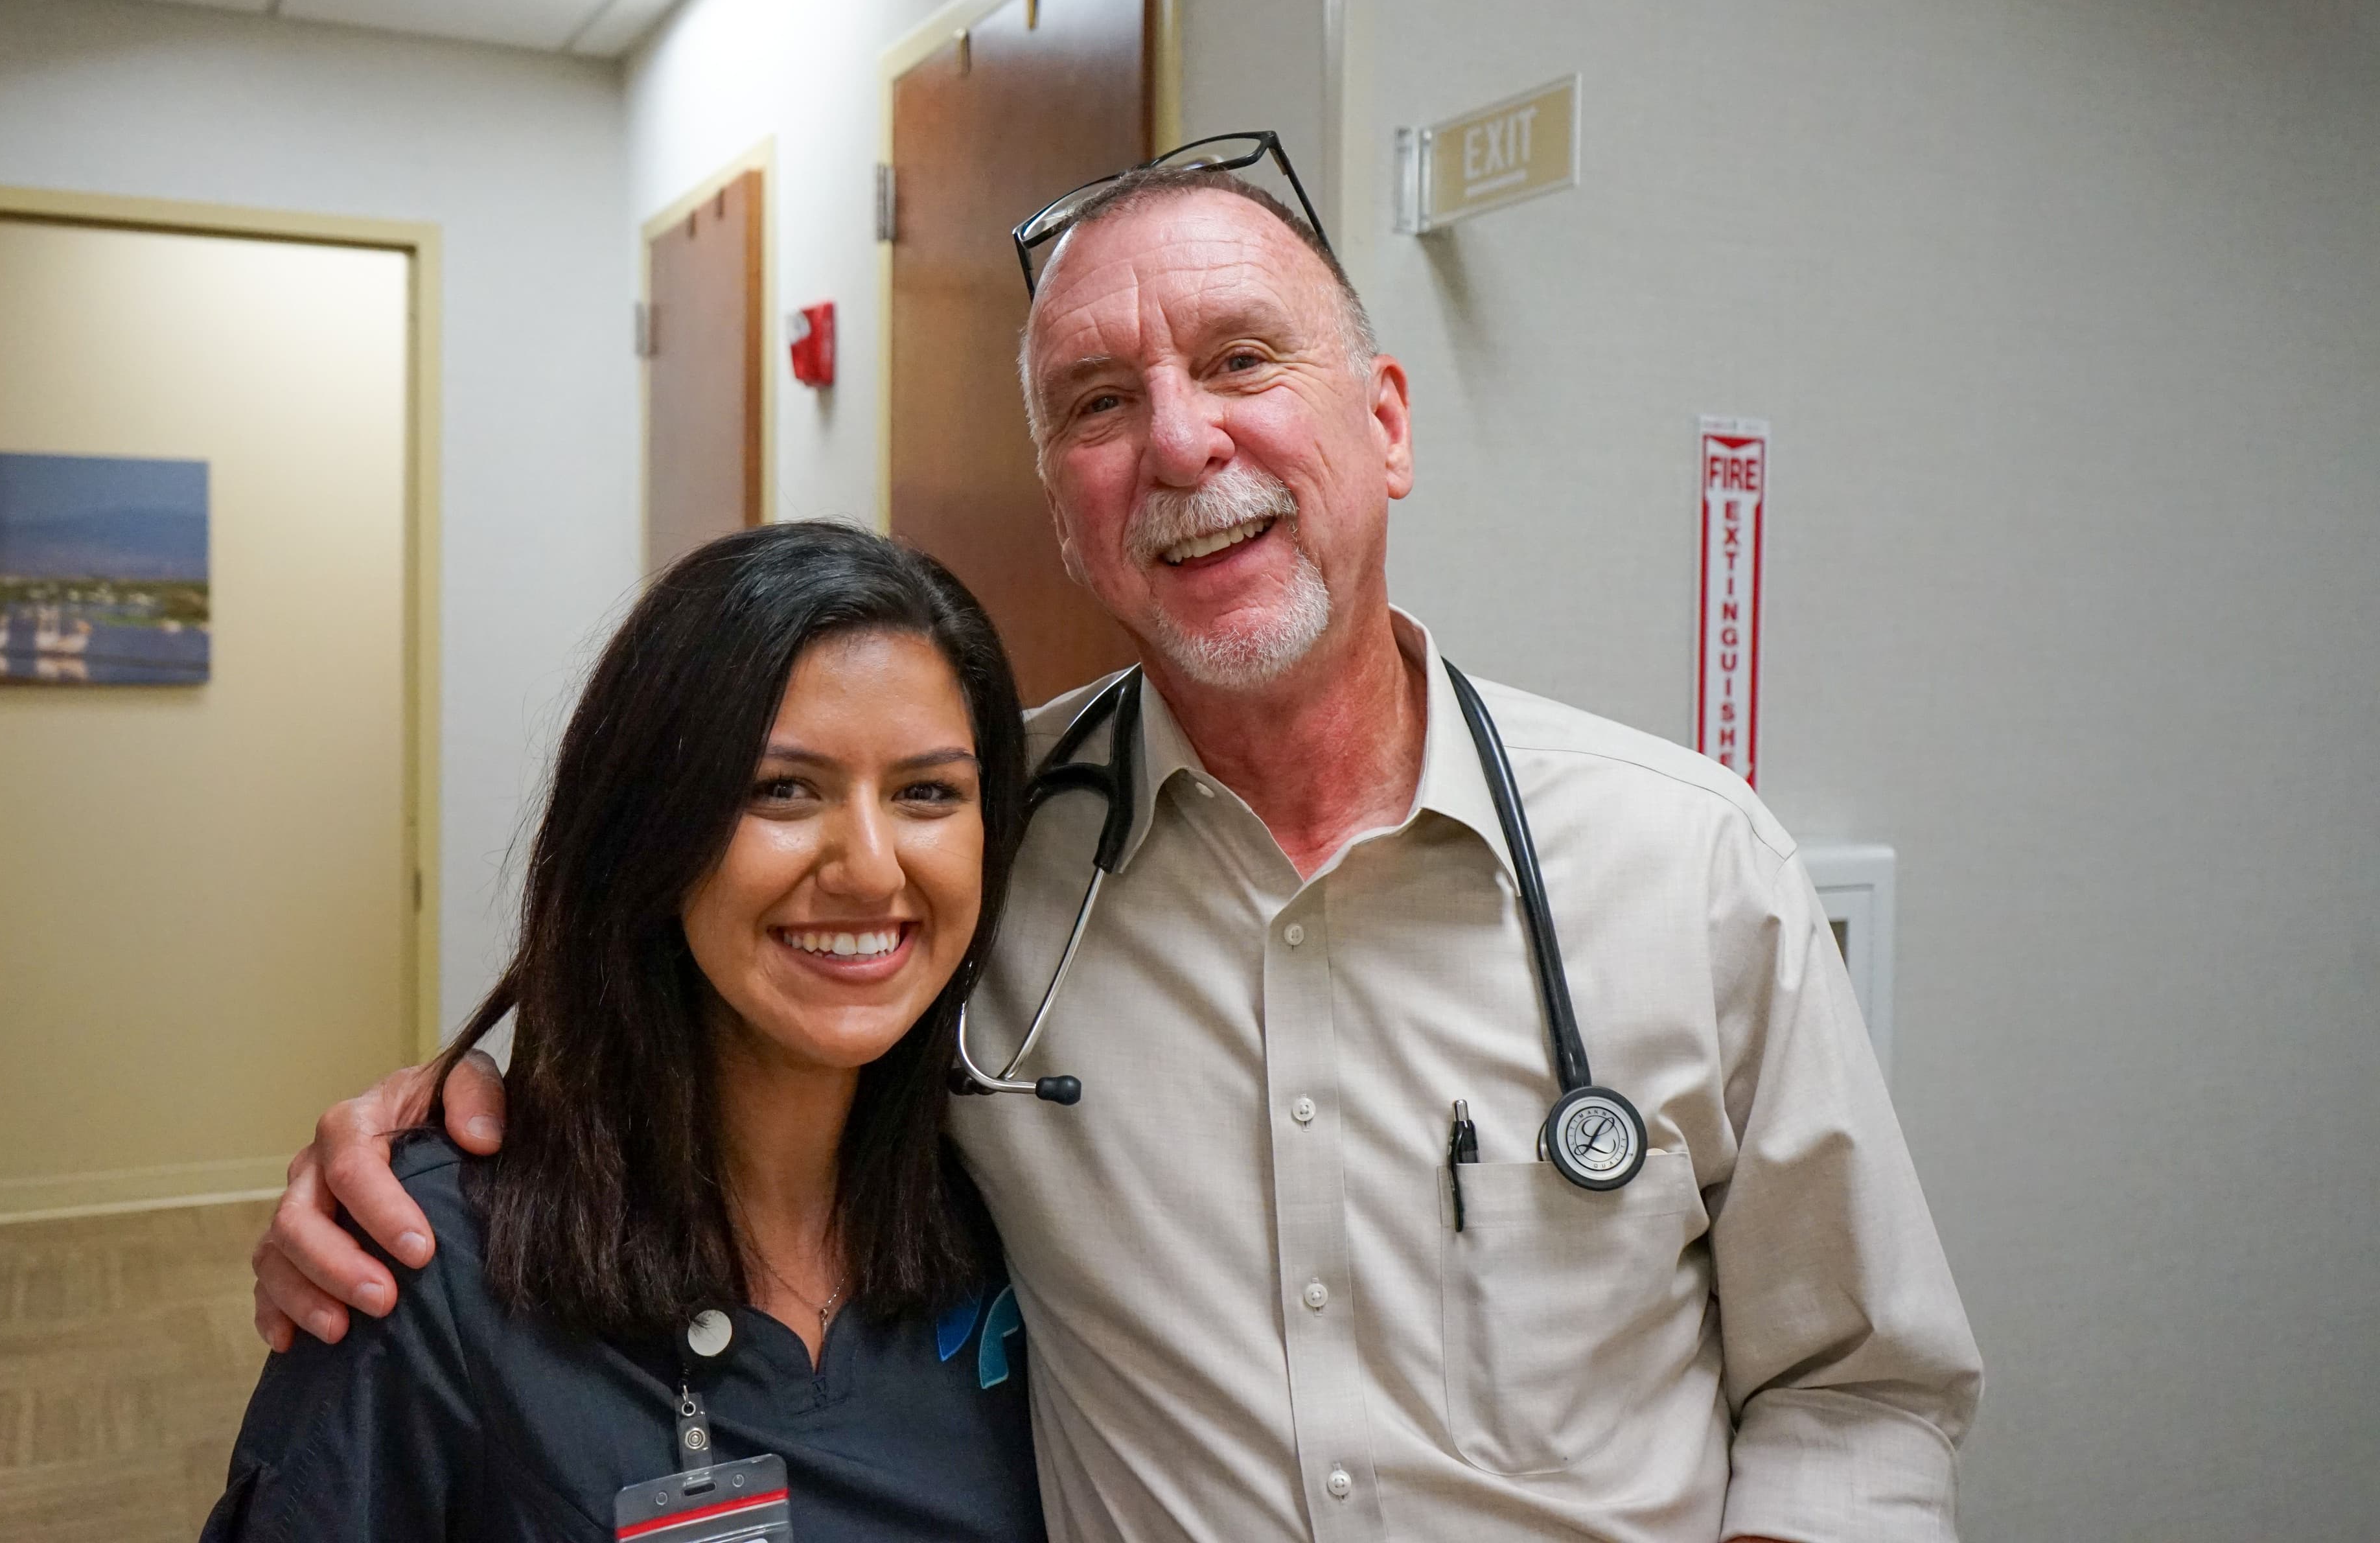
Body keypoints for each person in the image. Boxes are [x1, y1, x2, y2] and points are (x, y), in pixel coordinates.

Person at [255, 144, 1983, 1542]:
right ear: (1062, 509)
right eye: (1098, 402)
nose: (1176, 441)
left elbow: (1859, 1396)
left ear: (1383, 421)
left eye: (1242, 361)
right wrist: (427, 1144)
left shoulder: (1693, 875)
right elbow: (718, 986)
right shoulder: (974, 858)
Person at [206, 524, 1045, 1540]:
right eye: (780, 789)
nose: (871, 867)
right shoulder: (427, 1266)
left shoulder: (1024, 1218)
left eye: (927, 793)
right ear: (647, 829)